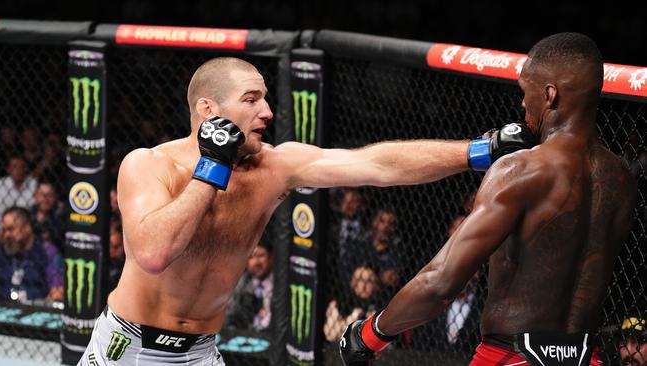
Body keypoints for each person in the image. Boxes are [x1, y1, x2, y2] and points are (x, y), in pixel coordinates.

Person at [78, 56, 534, 365]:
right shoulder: (147, 164)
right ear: (208, 110)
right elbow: (155, 252)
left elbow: (375, 164)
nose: (268, 112)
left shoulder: (273, 167)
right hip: (126, 347)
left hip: (201, 351)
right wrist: (210, 169)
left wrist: (481, 150)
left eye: (266, 99)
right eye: (252, 100)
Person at [339, 32, 638, 366]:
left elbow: (441, 282)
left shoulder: (520, 169)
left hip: (510, 356)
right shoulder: (621, 179)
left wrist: (369, 335)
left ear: (550, 95)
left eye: (526, 92)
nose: (523, 104)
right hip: (587, 357)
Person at [0, 206, 64, 303]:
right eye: (4, 230)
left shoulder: (47, 251)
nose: (6, 235)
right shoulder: (1, 252)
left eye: (11, 229)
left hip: (36, 312)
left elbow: (57, 293)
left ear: (27, 228)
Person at [225, 240, 274, 332]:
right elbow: (230, 315)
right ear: (246, 262)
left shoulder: (279, 284)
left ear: (271, 257)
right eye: (251, 257)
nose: (256, 262)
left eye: (261, 256)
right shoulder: (240, 284)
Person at [325, 266, 381, 342]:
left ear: (375, 285)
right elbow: (330, 335)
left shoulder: (379, 306)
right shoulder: (341, 303)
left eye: (368, 281)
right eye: (360, 280)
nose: (363, 286)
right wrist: (352, 318)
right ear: (354, 283)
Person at [0, 155, 38, 230]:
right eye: (15, 167)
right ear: (8, 169)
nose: (18, 170)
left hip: (26, 227)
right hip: (1, 226)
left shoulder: (34, 184)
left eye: (21, 167)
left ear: (25, 169)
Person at [30, 179, 66, 250]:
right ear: (35, 196)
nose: (45, 199)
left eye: (49, 195)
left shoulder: (61, 218)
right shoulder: (27, 215)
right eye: (41, 194)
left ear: (55, 197)